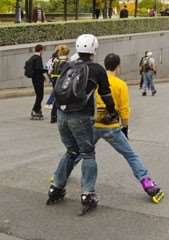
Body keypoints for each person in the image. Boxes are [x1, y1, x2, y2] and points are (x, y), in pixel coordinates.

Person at [46, 34, 118, 216]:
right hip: (80, 116)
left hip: (62, 115)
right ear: (94, 49)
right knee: (87, 153)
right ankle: (88, 194)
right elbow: (106, 94)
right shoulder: (96, 69)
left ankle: (56, 187)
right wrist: (112, 111)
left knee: (71, 151)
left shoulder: (67, 65)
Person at [90, 53, 165, 203]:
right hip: (111, 126)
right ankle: (148, 184)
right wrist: (125, 127)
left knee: (78, 151)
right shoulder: (120, 84)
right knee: (131, 155)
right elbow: (124, 109)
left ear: (104, 65)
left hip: (93, 124)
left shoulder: (95, 82)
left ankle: (58, 178)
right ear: (118, 66)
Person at [48, 45, 70, 123]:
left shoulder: (55, 61)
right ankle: (61, 115)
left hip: (54, 80)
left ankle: (53, 116)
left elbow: (50, 71)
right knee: (63, 98)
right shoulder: (66, 62)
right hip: (62, 81)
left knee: (56, 98)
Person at [25, 44, 48, 120]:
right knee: (40, 96)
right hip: (38, 79)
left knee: (39, 95)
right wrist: (47, 70)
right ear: (41, 50)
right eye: (42, 50)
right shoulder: (38, 58)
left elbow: (36, 69)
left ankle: (38, 110)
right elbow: (39, 69)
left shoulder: (33, 57)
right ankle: (35, 110)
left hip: (34, 79)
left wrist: (43, 76)